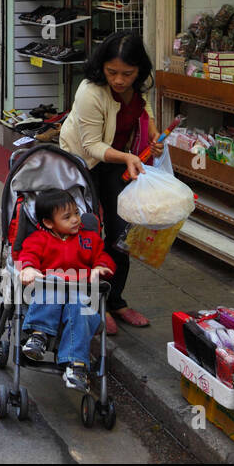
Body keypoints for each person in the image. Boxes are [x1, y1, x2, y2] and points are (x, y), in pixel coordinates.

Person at [59, 30, 161, 336]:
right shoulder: (90, 91)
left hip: (119, 161)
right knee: (89, 231)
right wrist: (128, 158)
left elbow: (145, 109)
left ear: (139, 71)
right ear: (102, 67)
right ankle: (91, 305)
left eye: (127, 74)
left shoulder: (138, 85)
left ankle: (115, 300)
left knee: (121, 234)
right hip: (84, 162)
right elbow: (91, 146)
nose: (119, 80)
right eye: (112, 72)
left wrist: (153, 133)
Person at [17, 190, 115, 391]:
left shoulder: (89, 239)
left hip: (80, 290)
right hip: (50, 289)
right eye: (67, 217)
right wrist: (28, 268)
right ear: (49, 223)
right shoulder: (40, 239)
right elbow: (29, 255)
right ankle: (39, 334)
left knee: (82, 307)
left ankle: (76, 365)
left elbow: (102, 256)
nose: (76, 220)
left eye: (77, 214)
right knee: (52, 283)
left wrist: (100, 267)